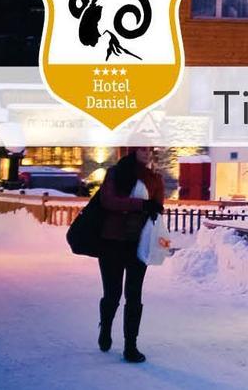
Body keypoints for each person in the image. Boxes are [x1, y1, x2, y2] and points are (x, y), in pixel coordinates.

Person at [96, 147, 164, 363]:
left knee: (134, 295)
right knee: (112, 293)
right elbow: (108, 201)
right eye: (142, 149)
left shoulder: (155, 178)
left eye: (150, 149)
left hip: (138, 243)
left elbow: (158, 205)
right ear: (133, 150)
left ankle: (130, 345)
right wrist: (141, 204)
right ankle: (106, 329)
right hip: (112, 241)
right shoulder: (115, 173)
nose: (147, 153)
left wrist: (154, 208)